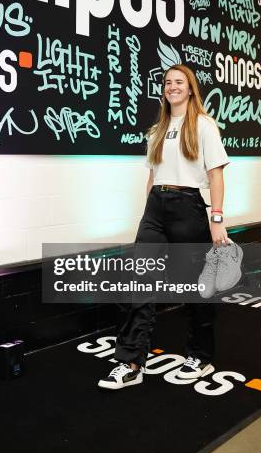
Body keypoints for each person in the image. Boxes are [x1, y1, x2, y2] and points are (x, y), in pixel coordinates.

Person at [98, 64, 230, 390]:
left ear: (190, 88)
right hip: (156, 209)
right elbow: (152, 176)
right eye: (168, 82)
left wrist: (217, 219)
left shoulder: (203, 125)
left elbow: (215, 175)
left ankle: (200, 355)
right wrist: (147, 214)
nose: (172, 87)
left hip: (188, 209)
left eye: (179, 82)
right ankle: (131, 361)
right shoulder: (157, 129)